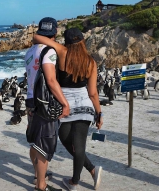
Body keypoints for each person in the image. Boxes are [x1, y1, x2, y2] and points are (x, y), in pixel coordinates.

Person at [33, 27, 104, 191]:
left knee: (70, 143)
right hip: (84, 106)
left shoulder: (62, 51)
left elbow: (37, 37)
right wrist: (99, 112)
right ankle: (92, 170)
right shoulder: (90, 61)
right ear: (82, 41)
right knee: (73, 143)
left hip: (65, 105)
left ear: (66, 41)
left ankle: (75, 181)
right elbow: (93, 93)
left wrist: (51, 40)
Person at [25, 17, 70, 191]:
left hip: (30, 99)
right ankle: (41, 185)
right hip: (44, 102)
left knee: (35, 140)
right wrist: (64, 103)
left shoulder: (29, 52)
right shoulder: (50, 52)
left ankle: (38, 174)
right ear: (56, 31)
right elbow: (51, 80)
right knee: (45, 142)